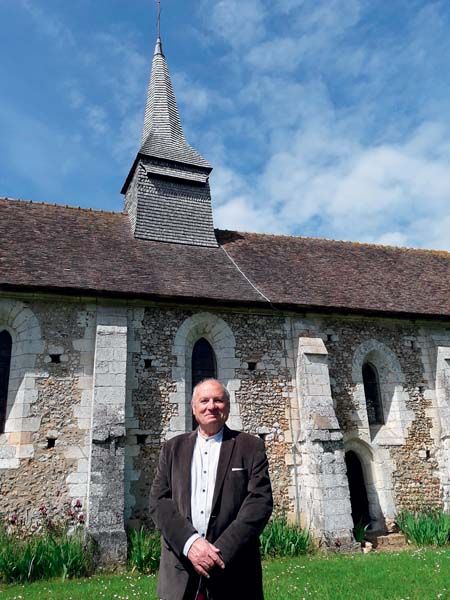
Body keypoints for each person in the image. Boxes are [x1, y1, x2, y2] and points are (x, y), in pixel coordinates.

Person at [150, 378, 273, 600]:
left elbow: (259, 503)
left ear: (228, 405)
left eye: (218, 400)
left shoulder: (250, 446)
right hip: (180, 573)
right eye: (204, 400)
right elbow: (159, 501)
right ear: (193, 407)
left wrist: (217, 554)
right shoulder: (172, 449)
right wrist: (191, 544)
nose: (211, 406)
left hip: (234, 572)